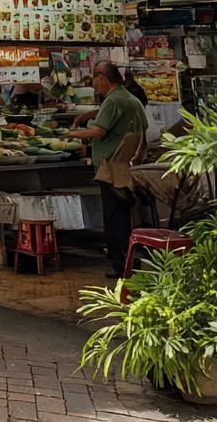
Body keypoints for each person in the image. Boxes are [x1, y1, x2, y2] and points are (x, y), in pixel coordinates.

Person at [66, 61, 148, 278]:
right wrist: (88, 115)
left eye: (93, 80)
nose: (93, 85)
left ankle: (120, 264)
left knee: (114, 217)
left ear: (102, 78)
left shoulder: (113, 101)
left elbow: (99, 131)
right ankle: (129, 259)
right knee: (123, 215)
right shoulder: (130, 99)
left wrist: (69, 135)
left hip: (112, 167)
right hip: (128, 166)